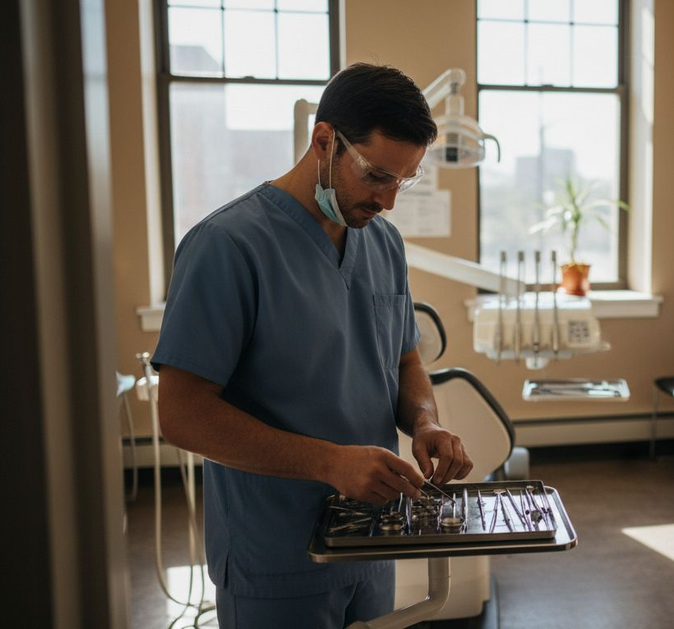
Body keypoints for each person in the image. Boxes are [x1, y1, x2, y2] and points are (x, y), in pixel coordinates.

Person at [153, 62, 473, 628]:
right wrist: (330, 463)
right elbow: (181, 416)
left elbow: (405, 359)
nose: (388, 200)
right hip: (276, 555)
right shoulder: (227, 246)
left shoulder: (383, 244)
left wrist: (425, 421)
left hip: (370, 538)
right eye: (377, 175)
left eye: (404, 181)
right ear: (324, 141)